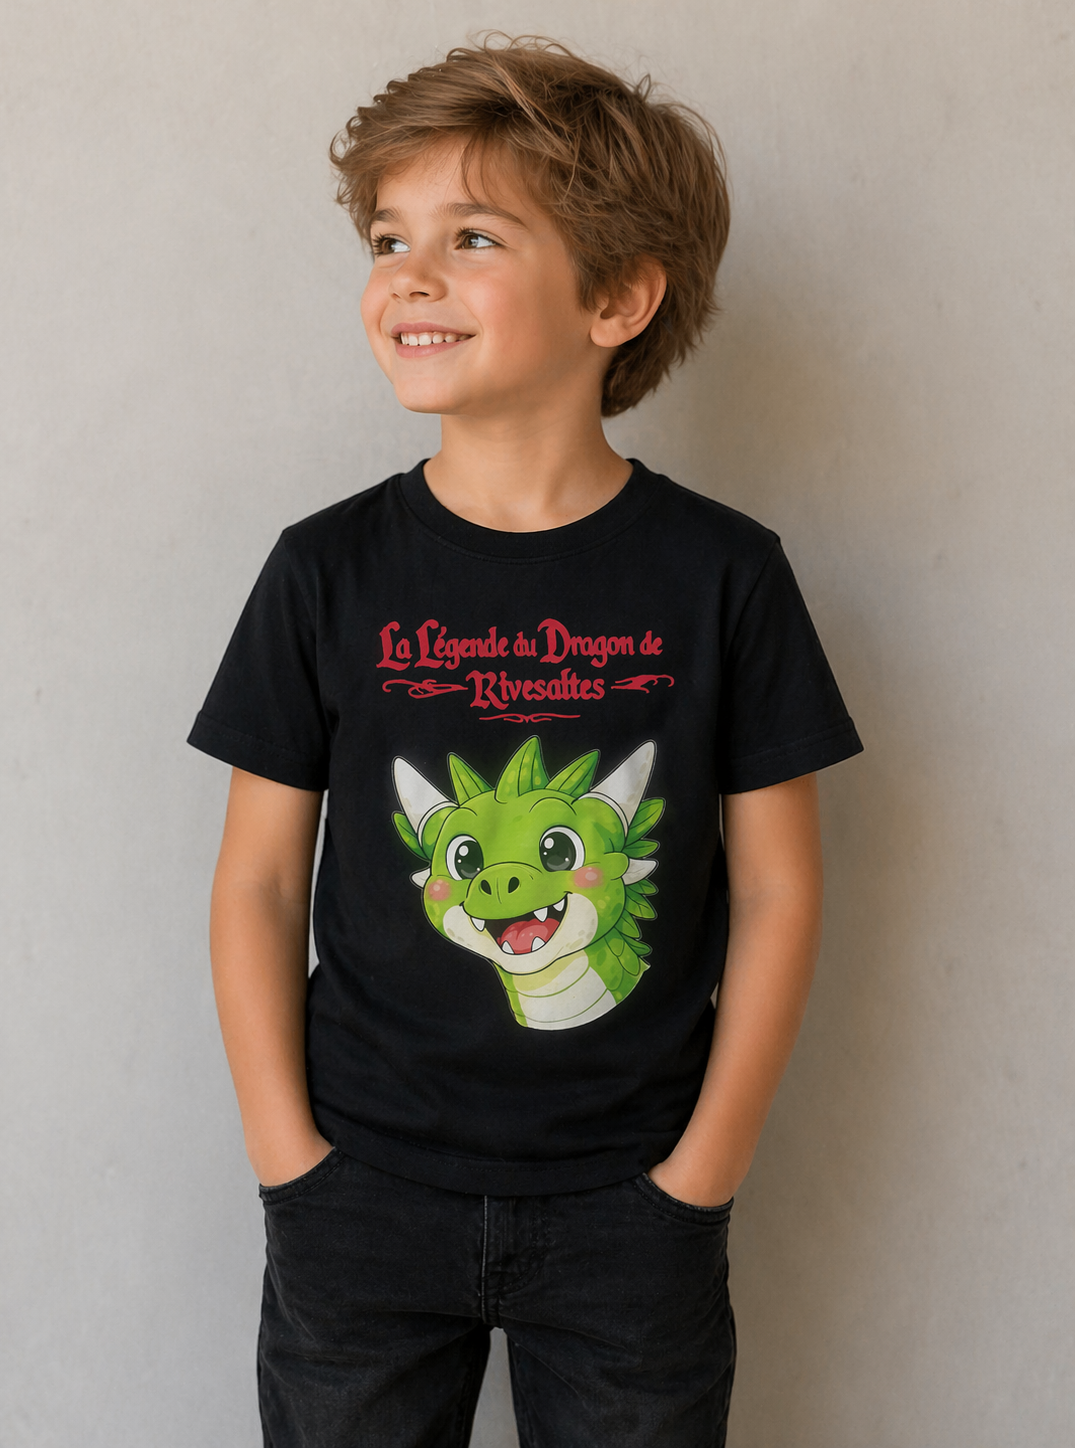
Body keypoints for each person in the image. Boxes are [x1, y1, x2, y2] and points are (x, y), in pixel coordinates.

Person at [188, 35, 862, 1448]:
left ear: (616, 297)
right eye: (390, 237)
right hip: (359, 1191)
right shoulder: (323, 572)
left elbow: (780, 891)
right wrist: (290, 1164)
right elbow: (257, 879)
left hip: (633, 1206)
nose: (408, 276)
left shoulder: (725, 576)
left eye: (473, 236)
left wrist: (698, 1177)